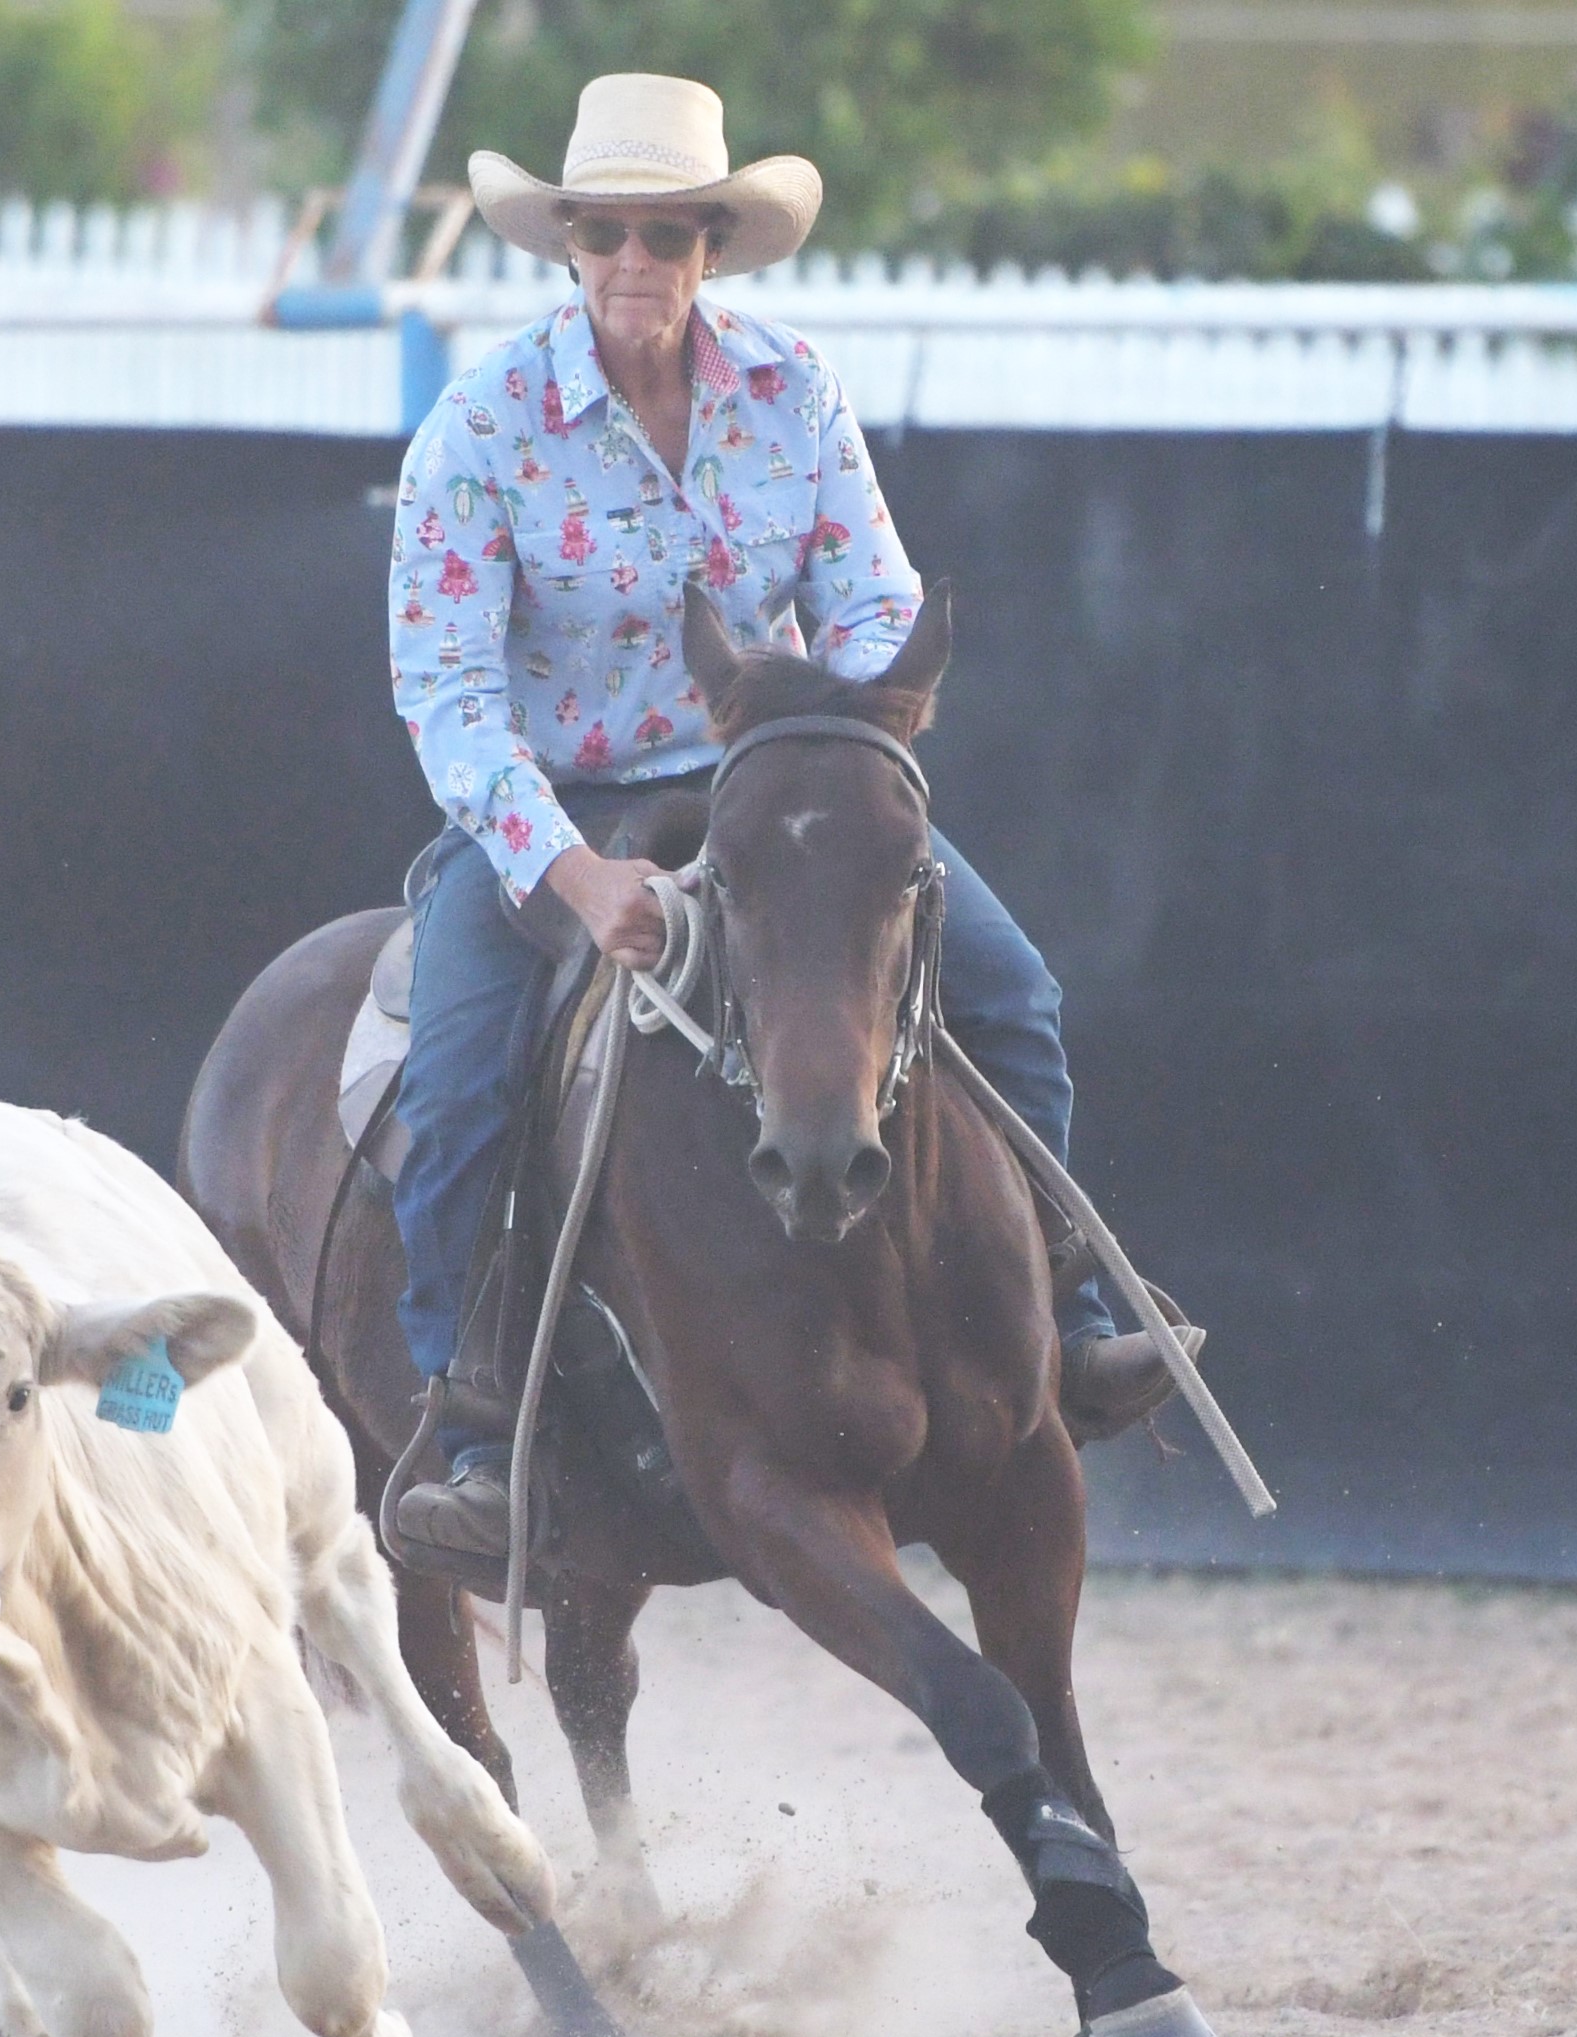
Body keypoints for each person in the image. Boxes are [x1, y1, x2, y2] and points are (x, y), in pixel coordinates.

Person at [383, 73, 1192, 1561]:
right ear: (569, 244)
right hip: (561, 806)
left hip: (775, 777)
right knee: (452, 1085)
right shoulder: (481, 426)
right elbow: (447, 690)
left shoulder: (791, 387)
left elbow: (876, 594)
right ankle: (481, 1426)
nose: (635, 259)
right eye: (606, 231)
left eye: (667, 232)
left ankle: (1067, 1317)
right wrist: (575, 877)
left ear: (712, 245)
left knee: (1011, 992)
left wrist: (848, 719)